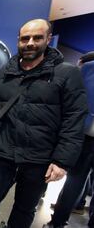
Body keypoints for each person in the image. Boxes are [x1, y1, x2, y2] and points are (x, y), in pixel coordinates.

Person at [0, 19, 88, 228]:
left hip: (39, 158)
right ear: (18, 41)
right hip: (0, 152)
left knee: (24, 209)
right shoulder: (4, 72)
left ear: (48, 39)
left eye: (37, 37)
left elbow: (74, 118)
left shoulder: (66, 73)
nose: (30, 43)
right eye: (25, 38)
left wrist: (62, 161)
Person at [43, 51, 94, 228]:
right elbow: (72, 102)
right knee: (74, 183)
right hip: (84, 138)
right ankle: (57, 223)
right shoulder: (88, 69)